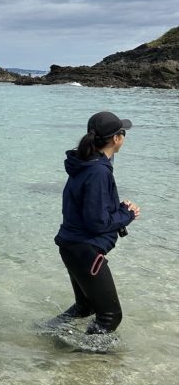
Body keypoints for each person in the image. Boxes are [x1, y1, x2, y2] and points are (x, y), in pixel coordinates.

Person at [49, 111, 140, 335]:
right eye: (123, 133)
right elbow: (97, 223)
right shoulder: (98, 171)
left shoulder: (85, 163)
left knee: (86, 307)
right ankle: (84, 355)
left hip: (72, 246)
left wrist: (119, 208)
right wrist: (127, 214)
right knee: (110, 317)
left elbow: (90, 208)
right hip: (85, 250)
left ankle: (44, 333)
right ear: (116, 138)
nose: (124, 137)